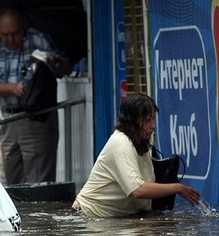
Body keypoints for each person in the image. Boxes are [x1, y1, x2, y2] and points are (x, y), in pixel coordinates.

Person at [0, 7, 71, 185]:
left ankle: (39, 212)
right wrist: (13, 88)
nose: (10, 39)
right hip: (8, 118)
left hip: (36, 118)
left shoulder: (38, 39)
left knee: (38, 179)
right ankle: (20, 212)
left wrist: (53, 62)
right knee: (13, 176)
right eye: (4, 35)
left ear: (22, 27)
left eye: (14, 34)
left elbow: (65, 68)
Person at [72, 93, 200, 217]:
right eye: (147, 120)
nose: (153, 126)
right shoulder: (120, 143)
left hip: (121, 216)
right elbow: (137, 190)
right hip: (89, 215)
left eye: (153, 118)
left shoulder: (141, 144)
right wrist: (177, 188)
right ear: (132, 121)